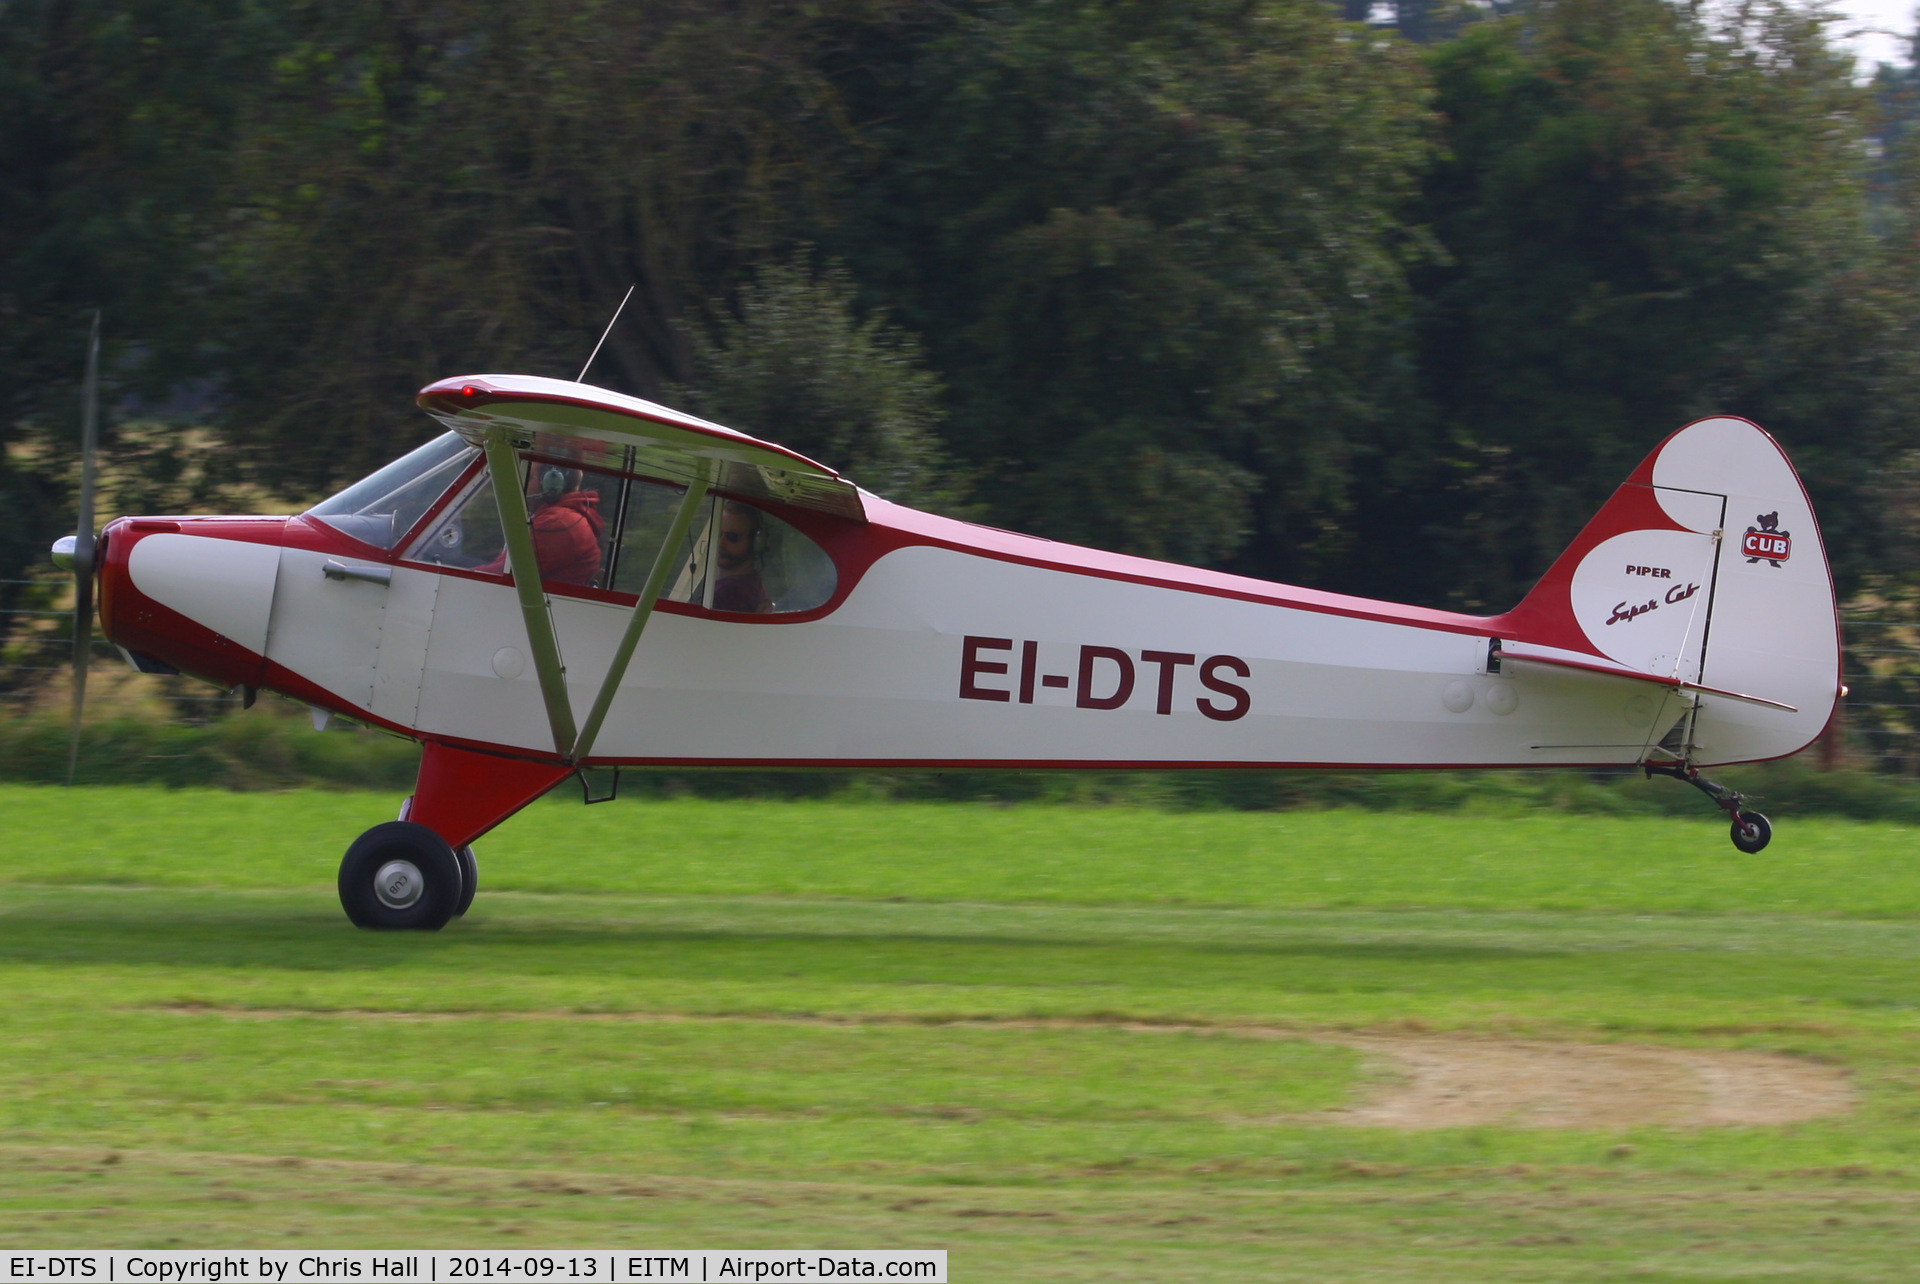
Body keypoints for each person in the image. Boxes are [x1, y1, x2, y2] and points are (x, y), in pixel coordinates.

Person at [478, 466, 605, 586]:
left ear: (552, 485)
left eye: (530, 476)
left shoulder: (557, 523)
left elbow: (504, 572)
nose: (521, 483)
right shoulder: (560, 516)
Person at [710, 500, 772, 613]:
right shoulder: (753, 583)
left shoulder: (728, 594)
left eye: (732, 537)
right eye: (719, 534)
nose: (721, 543)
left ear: (755, 543)